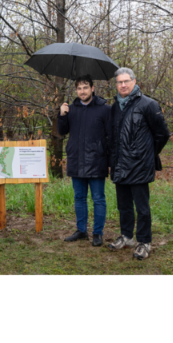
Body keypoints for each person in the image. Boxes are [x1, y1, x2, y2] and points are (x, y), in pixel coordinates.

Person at [109, 67, 170, 260]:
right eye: (119, 82)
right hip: (120, 165)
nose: (123, 85)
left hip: (140, 166)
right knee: (124, 206)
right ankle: (127, 237)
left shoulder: (149, 105)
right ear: (116, 84)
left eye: (126, 81)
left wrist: (148, 154)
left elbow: (162, 134)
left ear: (135, 82)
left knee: (142, 208)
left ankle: (144, 242)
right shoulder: (114, 108)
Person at [57, 75, 111, 247]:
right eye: (79, 88)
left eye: (85, 87)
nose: (82, 91)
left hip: (97, 160)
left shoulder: (104, 109)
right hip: (76, 159)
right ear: (76, 90)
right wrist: (62, 115)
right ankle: (81, 230)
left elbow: (110, 136)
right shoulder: (70, 109)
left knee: (98, 198)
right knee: (79, 197)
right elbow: (62, 131)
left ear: (93, 88)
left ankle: (97, 233)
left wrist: (108, 158)